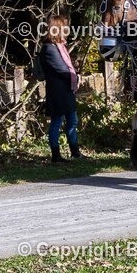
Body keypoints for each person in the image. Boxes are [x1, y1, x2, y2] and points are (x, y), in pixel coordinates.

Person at [38, 14, 82, 162]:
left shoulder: (60, 46)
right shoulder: (49, 48)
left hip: (66, 91)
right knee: (56, 122)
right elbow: (61, 69)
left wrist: (74, 74)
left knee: (72, 121)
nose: (67, 30)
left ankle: (75, 152)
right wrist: (75, 76)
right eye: (65, 28)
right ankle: (56, 155)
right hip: (58, 92)